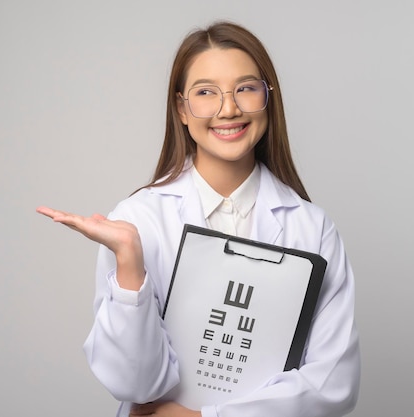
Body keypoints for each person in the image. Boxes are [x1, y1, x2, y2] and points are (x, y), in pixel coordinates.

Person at [37, 21, 360, 417]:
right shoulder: (137, 221)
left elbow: (333, 384)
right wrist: (130, 269)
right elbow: (133, 385)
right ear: (182, 109)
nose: (229, 108)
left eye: (246, 88)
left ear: (268, 99)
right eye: (205, 92)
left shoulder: (312, 228)